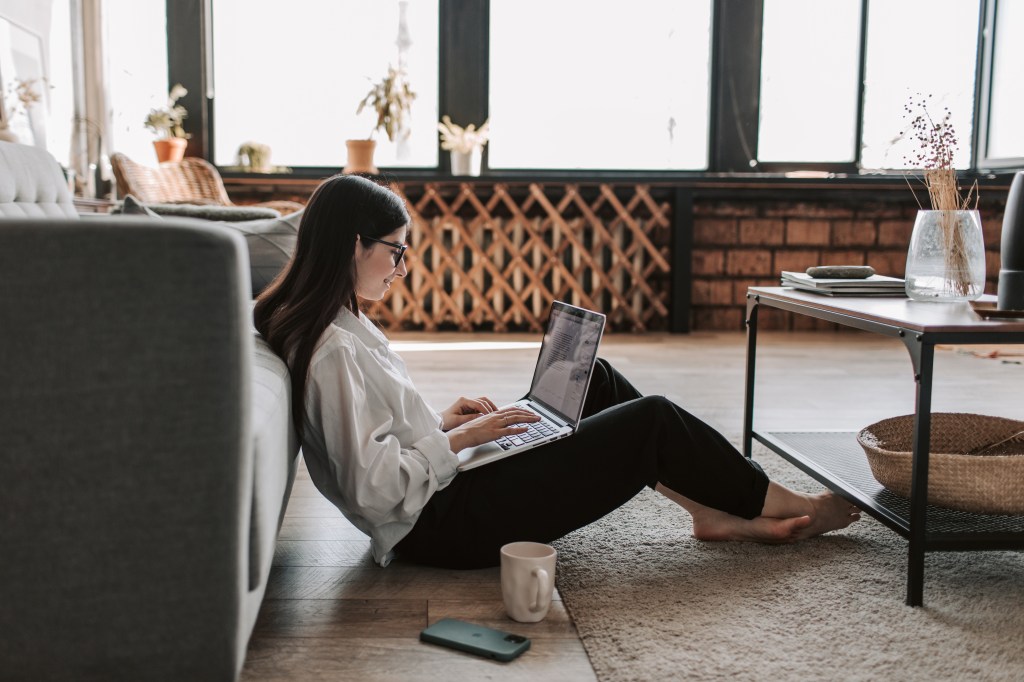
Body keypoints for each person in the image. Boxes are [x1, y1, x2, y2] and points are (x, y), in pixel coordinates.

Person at [254, 174, 860, 570]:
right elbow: (374, 490)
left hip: (442, 492)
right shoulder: (333, 348)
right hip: (438, 527)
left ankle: (707, 510)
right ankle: (783, 502)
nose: (402, 267)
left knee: (592, 378)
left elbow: (374, 442)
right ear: (354, 244)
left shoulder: (341, 325)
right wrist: (458, 441)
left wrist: (443, 421)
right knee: (652, 420)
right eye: (396, 251)